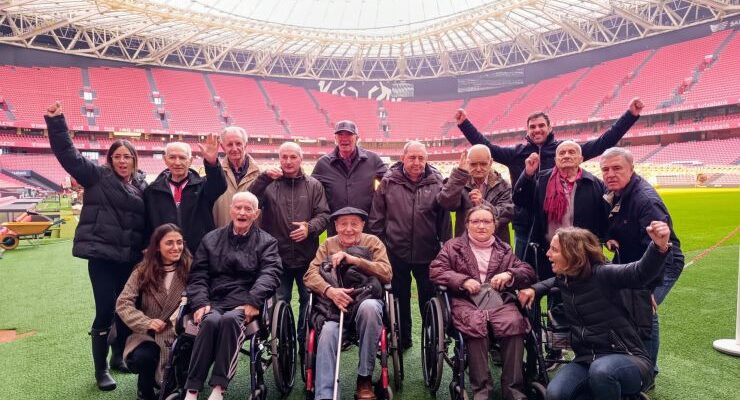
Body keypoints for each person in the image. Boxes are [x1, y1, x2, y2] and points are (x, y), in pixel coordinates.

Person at [454, 98, 644, 258]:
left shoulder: (565, 151)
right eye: (532, 127)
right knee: (525, 272)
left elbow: (603, 142)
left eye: (541, 126)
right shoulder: (517, 153)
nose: (537, 130)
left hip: (560, 225)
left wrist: (630, 116)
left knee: (563, 271)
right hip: (525, 225)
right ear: (527, 131)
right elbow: (486, 146)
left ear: (549, 127)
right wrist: (464, 124)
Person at [46, 101, 148, 391]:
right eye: (117, 156)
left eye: (128, 156)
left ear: (135, 160)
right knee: (105, 310)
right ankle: (101, 369)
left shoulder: (142, 184)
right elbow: (68, 155)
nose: (122, 161)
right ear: (110, 159)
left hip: (129, 259)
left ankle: (119, 357)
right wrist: (57, 123)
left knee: (126, 308)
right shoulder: (96, 177)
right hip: (102, 257)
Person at [518, 222, 673, 400]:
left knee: (602, 372)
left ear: (572, 254)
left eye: (554, 250)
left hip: (627, 359)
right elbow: (553, 282)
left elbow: (639, 273)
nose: (548, 254)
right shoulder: (566, 279)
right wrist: (534, 289)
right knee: (555, 394)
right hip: (586, 360)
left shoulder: (603, 274)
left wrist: (659, 247)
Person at [429, 205, 535, 400]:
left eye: (486, 221)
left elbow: (527, 271)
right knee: (475, 325)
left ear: (494, 226)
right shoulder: (453, 247)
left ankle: (513, 391)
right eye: (475, 221)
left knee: (514, 323)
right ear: (467, 224)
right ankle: (482, 391)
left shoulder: (504, 249)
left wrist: (509, 273)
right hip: (465, 301)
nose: (481, 226)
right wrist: (462, 280)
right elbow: (436, 270)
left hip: (498, 301)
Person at [184, 192, 282, 400]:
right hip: (214, 299)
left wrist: (253, 301)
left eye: (248, 209)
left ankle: (219, 388)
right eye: (238, 207)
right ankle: (192, 389)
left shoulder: (267, 242)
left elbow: (270, 273)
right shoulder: (211, 239)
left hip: (245, 300)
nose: (242, 212)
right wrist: (200, 302)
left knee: (230, 320)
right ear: (231, 210)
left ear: (256, 214)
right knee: (210, 322)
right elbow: (198, 274)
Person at [600, 147, 684, 377]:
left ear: (631, 169)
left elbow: (658, 248)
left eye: (617, 168)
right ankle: (633, 361)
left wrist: (649, 288)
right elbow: (611, 222)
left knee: (646, 311)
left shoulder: (645, 200)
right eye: (605, 169)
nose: (610, 174)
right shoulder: (615, 193)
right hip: (635, 264)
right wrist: (608, 237)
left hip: (661, 264)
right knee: (631, 309)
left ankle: (647, 371)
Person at [368, 140, 453, 350]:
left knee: (428, 297)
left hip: (428, 253)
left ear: (426, 160)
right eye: (412, 157)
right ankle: (403, 338)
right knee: (399, 298)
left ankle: (430, 339)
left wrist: (445, 250)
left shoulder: (436, 182)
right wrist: (382, 250)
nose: (417, 162)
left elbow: (444, 221)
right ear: (403, 158)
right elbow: (376, 220)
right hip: (396, 253)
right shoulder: (388, 183)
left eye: (421, 158)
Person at [303, 207, 392, 400]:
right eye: (343, 224)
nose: (349, 229)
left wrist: (356, 260)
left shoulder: (373, 242)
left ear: (362, 225)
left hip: (365, 301)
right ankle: (325, 394)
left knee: (370, 309)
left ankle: (364, 379)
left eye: (354, 224)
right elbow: (310, 275)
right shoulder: (327, 244)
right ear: (336, 226)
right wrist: (330, 291)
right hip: (334, 307)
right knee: (326, 332)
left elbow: (386, 273)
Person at [250, 141, 330, 350]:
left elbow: (324, 215)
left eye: (293, 157)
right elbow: (251, 200)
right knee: (280, 301)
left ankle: (304, 342)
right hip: (278, 257)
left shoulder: (313, 185)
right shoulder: (269, 183)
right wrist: (263, 177)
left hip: (307, 257)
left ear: (301, 159)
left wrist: (309, 228)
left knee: (308, 301)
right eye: (284, 157)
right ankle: (284, 344)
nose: (288, 161)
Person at [116, 224, 192, 400]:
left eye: (179, 242)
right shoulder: (142, 271)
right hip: (147, 334)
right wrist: (146, 322)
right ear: (157, 246)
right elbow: (123, 303)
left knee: (188, 354)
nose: (176, 247)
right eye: (170, 243)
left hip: (180, 332)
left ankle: (178, 385)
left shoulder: (191, 269)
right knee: (145, 356)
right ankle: (145, 391)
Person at [513, 140, 608, 280]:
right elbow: (520, 199)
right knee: (550, 289)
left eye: (571, 152)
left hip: (581, 252)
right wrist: (527, 174)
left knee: (582, 290)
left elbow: (604, 215)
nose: (566, 155)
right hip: (548, 251)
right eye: (562, 153)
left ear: (581, 159)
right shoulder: (542, 180)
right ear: (556, 160)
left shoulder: (594, 184)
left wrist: (609, 235)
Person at [144, 140, 227, 254]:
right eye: (172, 157)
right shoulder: (152, 191)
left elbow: (220, 185)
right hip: (164, 257)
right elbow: (148, 225)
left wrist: (211, 163)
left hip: (198, 255)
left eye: (182, 158)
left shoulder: (202, 186)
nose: (177, 162)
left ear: (190, 160)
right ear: (165, 159)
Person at [312, 120, 387, 234]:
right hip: (336, 230)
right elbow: (309, 187)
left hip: (365, 228)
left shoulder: (373, 160)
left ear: (357, 138)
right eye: (340, 134)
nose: (344, 138)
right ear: (335, 138)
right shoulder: (323, 163)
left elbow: (390, 180)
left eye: (349, 134)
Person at [438, 144, 514, 243]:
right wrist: (459, 174)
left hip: (495, 246)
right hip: (466, 245)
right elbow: (446, 204)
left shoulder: (504, 186)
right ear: (467, 163)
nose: (478, 168)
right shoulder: (460, 182)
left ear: (490, 162)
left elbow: (507, 214)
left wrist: (483, 204)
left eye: (483, 164)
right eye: (473, 164)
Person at [212, 126, 260, 227]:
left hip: (253, 240)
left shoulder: (260, 176)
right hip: (222, 238)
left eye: (238, 143)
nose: (234, 148)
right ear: (222, 146)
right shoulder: (214, 176)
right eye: (229, 144)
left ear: (245, 144)